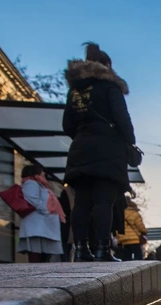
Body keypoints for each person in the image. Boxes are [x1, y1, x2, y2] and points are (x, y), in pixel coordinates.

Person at [63, 42, 136, 262]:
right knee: (104, 202)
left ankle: (81, 249)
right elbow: (123, 120)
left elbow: (67, 125)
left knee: (82, 202)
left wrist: (85, 133)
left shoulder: (75, 90)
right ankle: (103, 249)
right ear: (106, 65)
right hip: (108, 151)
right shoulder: (110, 87)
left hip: (81, 150)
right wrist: (129, 141)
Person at [17, 164, 65, 263]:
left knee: (43, 253)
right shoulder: (31, 183)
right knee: (36, 253)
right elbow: (32, 199)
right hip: (37, 226)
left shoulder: (38, 185)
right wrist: (45, 210)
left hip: (41, 227)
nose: (44, 174)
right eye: (41, 173)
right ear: (35, 174)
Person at [58, 187, 73, 262]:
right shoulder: (67, 192)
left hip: (66, 223)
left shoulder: (66, 191)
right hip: (66, 223)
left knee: (66, 246)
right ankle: (65, 262)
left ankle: (66, 262)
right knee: (65, 246)